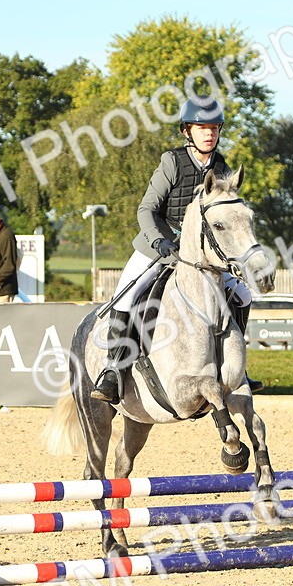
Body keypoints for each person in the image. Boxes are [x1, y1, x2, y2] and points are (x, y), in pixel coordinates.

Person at [91, 96, 258, 403]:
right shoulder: (172, 162)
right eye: (202, 127)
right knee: (126, 296)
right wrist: (160, 240)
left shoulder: (221, 166)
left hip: (200, 256)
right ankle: (113, 371)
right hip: (159, 246)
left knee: (243, 295)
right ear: (187, 131)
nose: (209, 133)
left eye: (214, 128)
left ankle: (237, 369)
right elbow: (146, 209)